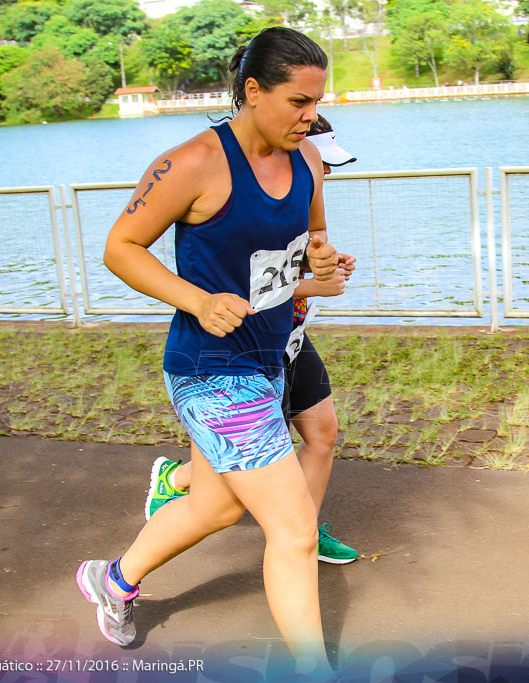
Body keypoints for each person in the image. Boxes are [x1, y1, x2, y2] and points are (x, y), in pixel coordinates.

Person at [75, 27, 340, 675]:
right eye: (298, 102)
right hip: (210, 371)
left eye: (318, 102)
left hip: (267, 360)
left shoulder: (305, 161)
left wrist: (320, 267)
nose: (311, 117)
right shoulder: (192, 162)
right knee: (295, 528)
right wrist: (197, 299)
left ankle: (114, 580)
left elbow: (302, 249)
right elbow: (120, 247)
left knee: (217, 504)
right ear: (253, 91)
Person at [145, 115, 360, 566]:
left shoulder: (301, 182)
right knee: (220, 504)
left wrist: (324, 263)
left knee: (321, 433)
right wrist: (309, 284)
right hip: (232, 355)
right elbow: (247, 284)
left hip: (289, 339)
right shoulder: (220, 173)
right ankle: (174, 494)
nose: (328, 173)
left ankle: (303, 534)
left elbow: (287, 261)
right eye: (324, 164)